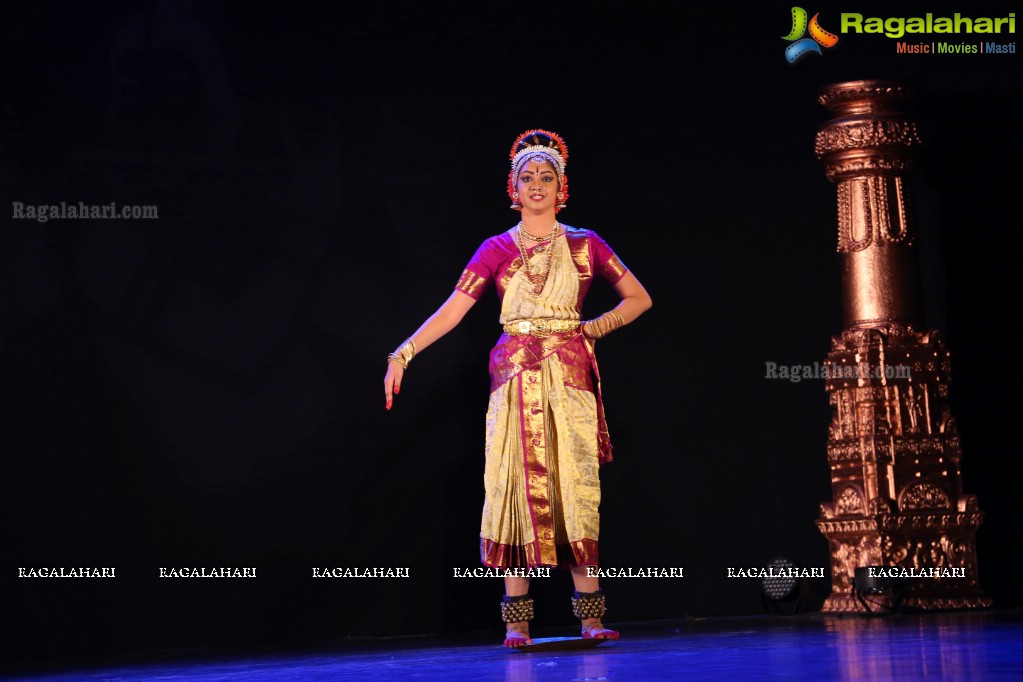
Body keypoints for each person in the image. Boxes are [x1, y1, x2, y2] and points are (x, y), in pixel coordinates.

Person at [383, 129, 652, 647]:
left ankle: (591, 617)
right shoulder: (496, 249)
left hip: (568, 374)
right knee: (510, 484)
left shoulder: (585, 244)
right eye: (527, 177)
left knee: (574, 485)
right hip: (514, 376)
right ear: (513, 186)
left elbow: (638, 299)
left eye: (546, 177)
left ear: (561, 187)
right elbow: (453, 311)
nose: (536, 185)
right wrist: (404, 352)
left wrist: (591, 329)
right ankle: (516, 622)